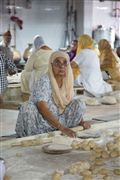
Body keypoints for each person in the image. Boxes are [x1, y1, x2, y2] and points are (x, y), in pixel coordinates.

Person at [15, 51, 90, 138]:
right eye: (57, 63)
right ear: (51, 65)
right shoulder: (44, 80)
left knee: (79, 103)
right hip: (41, 123)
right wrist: (62, 128)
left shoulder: (67, 80)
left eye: (65, 63)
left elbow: (70, 102)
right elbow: (42, 107)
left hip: (60, 120)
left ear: (68, 66)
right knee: (27, 107)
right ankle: (36, 136)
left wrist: (81, 122)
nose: (61, 66)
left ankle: (59, 129)